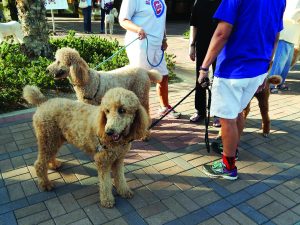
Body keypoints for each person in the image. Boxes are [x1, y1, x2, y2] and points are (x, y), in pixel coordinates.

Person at [198, 0, 285, 180]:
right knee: (237, 111)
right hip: (258, 69)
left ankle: (228, 167)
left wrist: (204, 67)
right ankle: (231, 151)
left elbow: (222, 33)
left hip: (233, 70)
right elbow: (275, 36)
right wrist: (266, 68)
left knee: (228, 119)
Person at [118, 0, 181, 119]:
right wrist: (137, 29)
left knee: (163, 76)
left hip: (157, 44)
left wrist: (164, 38)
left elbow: (160, 20)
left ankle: (164, 107)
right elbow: (123, 20)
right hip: (140, 43)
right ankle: (137, 114)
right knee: (140, 81)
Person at [188, 0, 221, 123]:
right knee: (200, 78)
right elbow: (194, 24)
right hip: (202, 45)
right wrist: (191, 45)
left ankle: (218, 114)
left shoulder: (224, 2)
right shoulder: (199, 2)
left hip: (220, 46)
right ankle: (200, 111)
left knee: (219, 80)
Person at [269, 0, 300, 94]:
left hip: (292, 36)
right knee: (279, 63)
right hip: (286, 35)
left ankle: (280, 83)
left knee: (286, 64)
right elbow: (292, 15)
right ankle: (270, 85)